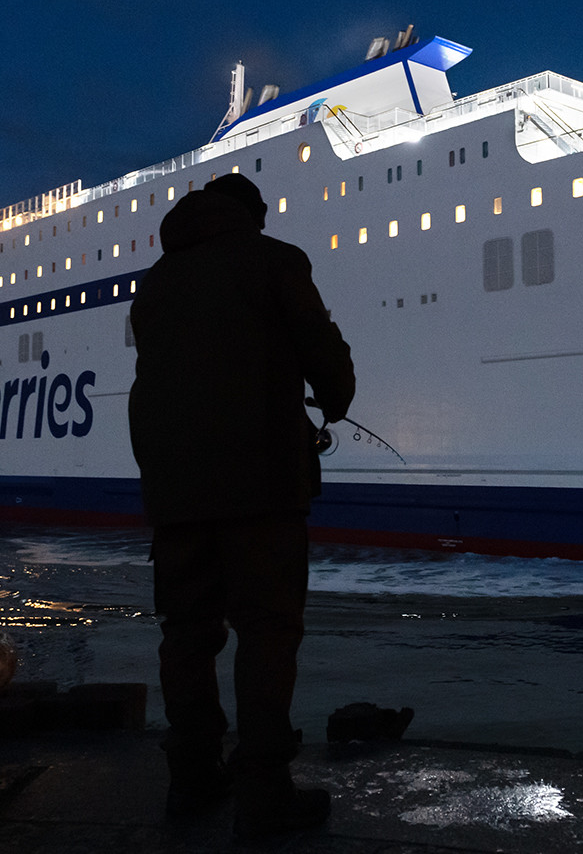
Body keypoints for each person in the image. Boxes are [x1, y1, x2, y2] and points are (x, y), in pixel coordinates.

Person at [128, 173, 356, 839]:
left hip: (173, 491)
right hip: (260, 483)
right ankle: (264, 793)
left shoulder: (156, 282)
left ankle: (192, 778)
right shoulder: (274, 260)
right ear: (250, 214)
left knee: (187, 633)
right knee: (266, 631)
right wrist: (333, 402)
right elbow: (326, 357)